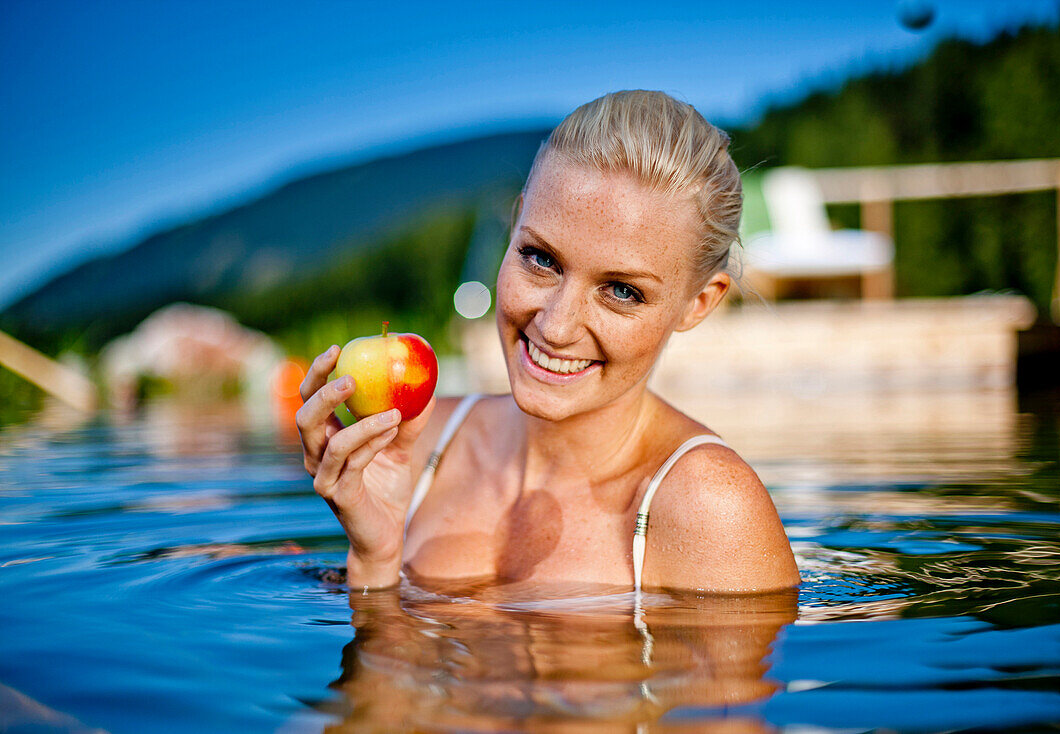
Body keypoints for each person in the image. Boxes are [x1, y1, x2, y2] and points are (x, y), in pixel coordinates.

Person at [296, 90, 800, 594]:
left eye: (622, 291)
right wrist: (374, 559)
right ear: (514, 227)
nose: (556, 327)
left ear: (699, 303)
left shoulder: (710, 510)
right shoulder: (414, 443)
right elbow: (378, 673)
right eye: (540, 259)